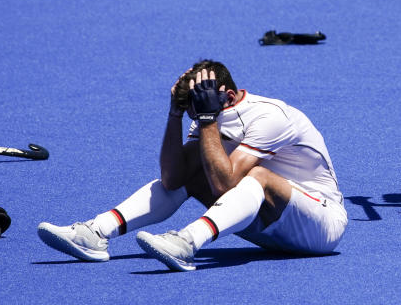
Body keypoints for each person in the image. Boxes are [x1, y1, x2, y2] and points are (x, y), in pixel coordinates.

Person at [37, 60, 346, 271]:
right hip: (270, 227)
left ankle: (186, 242)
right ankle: (96, 233)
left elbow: (226, 186)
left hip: (320, 227)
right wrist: (174, 115)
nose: (194, 116)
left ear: (224, 96)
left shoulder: (269, 116)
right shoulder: (205, 115)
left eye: (196, 108)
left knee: (257, 175)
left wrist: (207, 119)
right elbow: (172, 179)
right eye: (189, 110)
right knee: (194, 171)